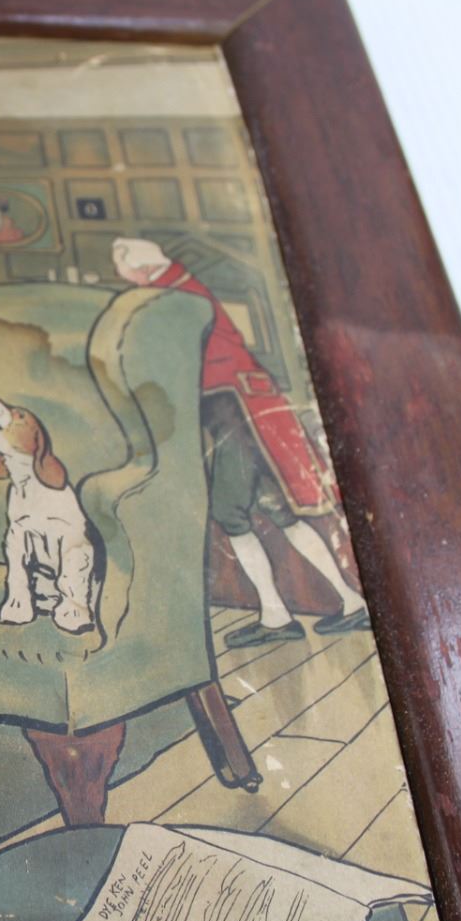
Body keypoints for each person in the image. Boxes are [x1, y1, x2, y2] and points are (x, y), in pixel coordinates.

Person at [113, 237, 368, 644]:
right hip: (249, 414)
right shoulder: (183, 287)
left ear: (142, 270)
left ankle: (277, 617)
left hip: (236, 414)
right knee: (281, 513)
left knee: (229, 512)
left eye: (129, 276)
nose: (131, 283)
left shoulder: (176, 298)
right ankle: (351, 602)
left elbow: (176, 364)